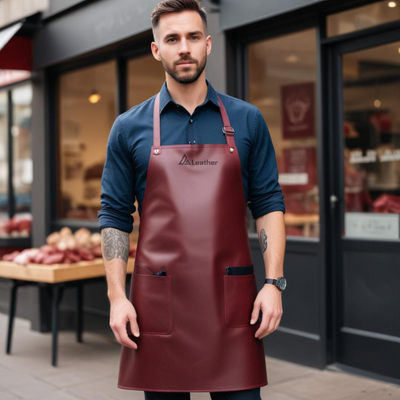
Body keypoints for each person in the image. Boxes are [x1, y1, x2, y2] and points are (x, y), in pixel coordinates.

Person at [98, 1, 287, 399]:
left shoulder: (247, 119)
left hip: (231, 304)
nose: (183, 47)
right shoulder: (128, 127)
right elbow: (115, 215)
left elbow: (268, 204)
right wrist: (117, 297)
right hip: (159, 304)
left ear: (208, 44)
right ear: (156, 50)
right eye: (172, 39)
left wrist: (273, 283)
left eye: (192, 37)